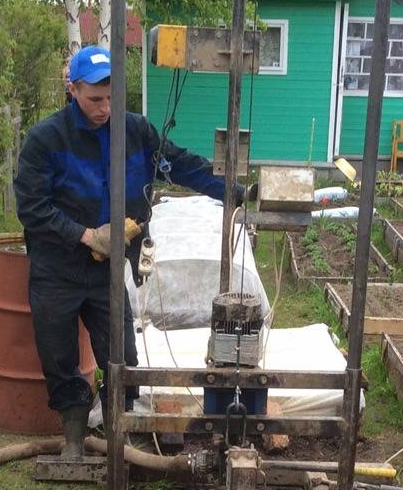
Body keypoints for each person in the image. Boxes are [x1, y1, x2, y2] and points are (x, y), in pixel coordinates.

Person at [15, 45, 243, 457]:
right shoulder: (45, 140)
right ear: (72, 90)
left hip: (105, 271)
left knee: (122, 355)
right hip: (56, 266)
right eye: (94, 100)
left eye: (111, 99)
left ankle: (122, 433)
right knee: (59, 353)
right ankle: (73, 441)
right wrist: (85, 236)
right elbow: (32, 209)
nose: (104, 109)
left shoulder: (135, 131)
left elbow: (182, 166)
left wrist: (236, 192)